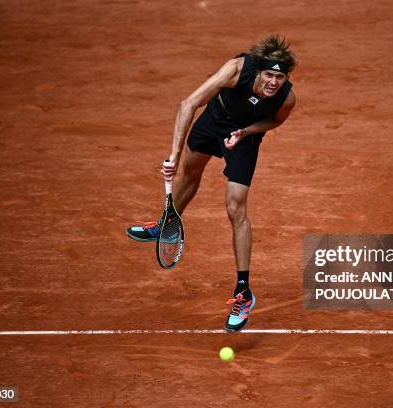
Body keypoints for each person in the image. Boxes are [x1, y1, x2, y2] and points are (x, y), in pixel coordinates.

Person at [127, 34, 297, 332]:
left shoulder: (287, 98)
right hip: (214, 119)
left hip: (244, 137)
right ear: (257, 71)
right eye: (268, 74)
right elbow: (189, 103)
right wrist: (174, 156)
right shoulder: (236, 69)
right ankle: (167, 225)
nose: (273, 82)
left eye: (279, 77)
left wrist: (245, 132)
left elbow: (275, 121)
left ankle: (243, 292)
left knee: (236, 207)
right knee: (190, 171)